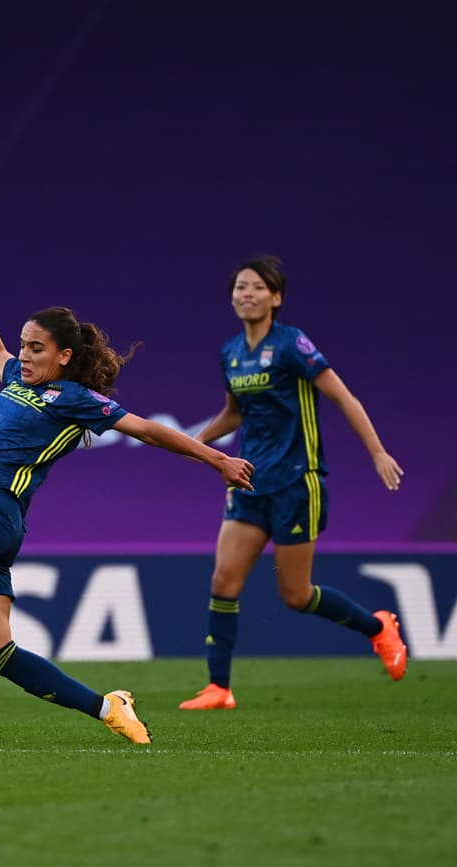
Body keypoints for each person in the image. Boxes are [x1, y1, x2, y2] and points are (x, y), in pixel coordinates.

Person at [0, 261, 255, 744]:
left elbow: (146, 429)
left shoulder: (74, 398)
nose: (24, 355)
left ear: (63, 356)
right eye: (24, 345)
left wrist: (215, 459)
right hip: (2, 522)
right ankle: (108, 708)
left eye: (37, 348)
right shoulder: (18, 378)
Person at [179, 255, 406, 710]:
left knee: (296, 595)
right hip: (249, 480)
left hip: (298, 482)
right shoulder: (231, 352)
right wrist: (195, 443)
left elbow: (343, 397)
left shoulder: (292, 345)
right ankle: (219, 687)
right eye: (240, 286)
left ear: (276, 297)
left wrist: (378, 451)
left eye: (257, 287)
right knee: (224, 579)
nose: (246, 293)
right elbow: (235, 412)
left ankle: (378, 628)